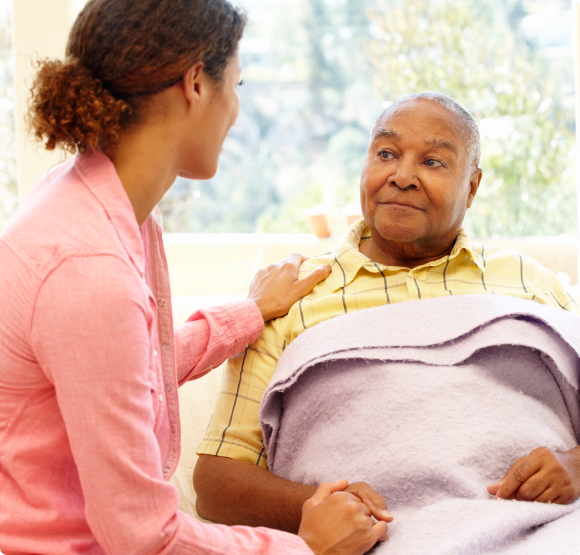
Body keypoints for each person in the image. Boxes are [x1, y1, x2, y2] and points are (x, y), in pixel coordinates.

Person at [0, 0, 391, 553]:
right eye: (236, 83)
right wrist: (306, 547)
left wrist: (249, 314)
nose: (236, 110)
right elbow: (145, 539)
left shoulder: (102, 203)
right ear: (195, 85)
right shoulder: (88, 270)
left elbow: (130, 368)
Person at [195, 92, 580, 532]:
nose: (402, 176)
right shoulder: (290, 295)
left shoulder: (531, 283)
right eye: (386, 153)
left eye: (433, 162)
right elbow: (216, 481)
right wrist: (315, 505)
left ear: (472, 187)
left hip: (543, 530)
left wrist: (575, 466)